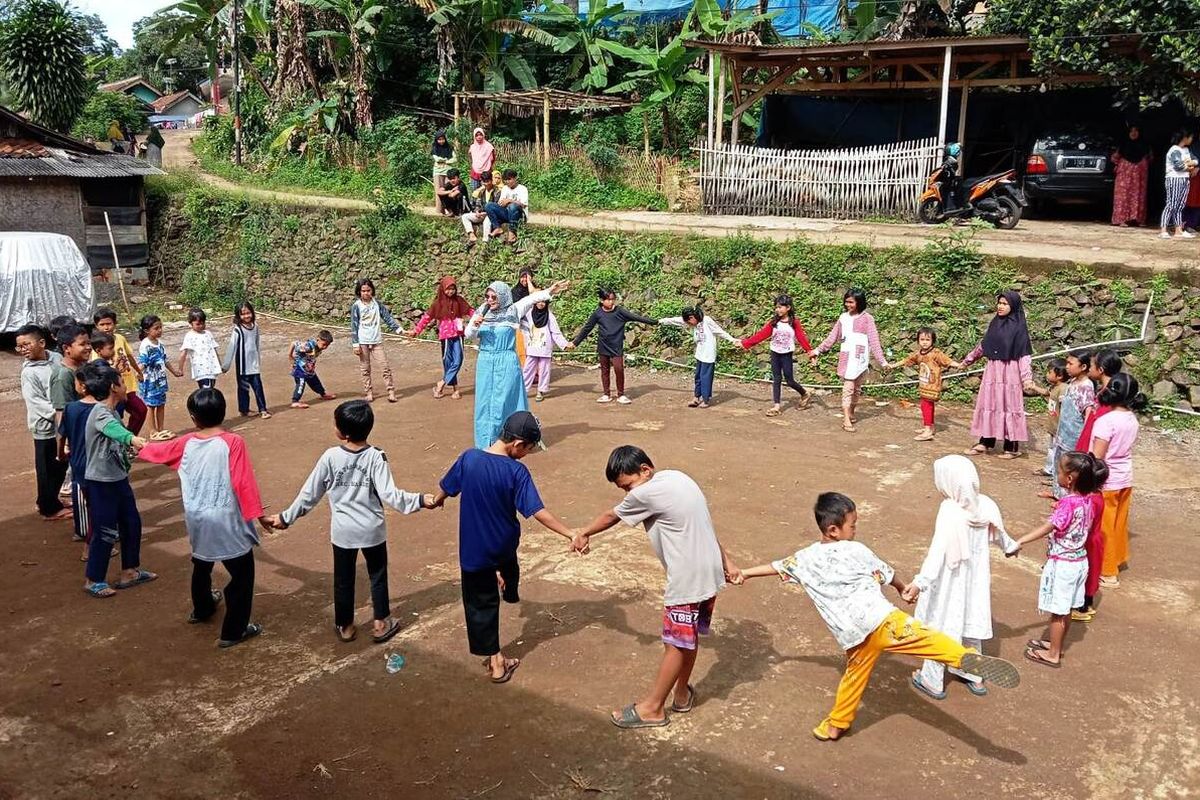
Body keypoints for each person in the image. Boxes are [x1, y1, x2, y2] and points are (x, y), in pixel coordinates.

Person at [735, 492, 1019, 741]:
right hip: (884, 622)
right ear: (833, 530)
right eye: (852, 525)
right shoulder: (857, 550)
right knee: (930, 640)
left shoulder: (804, 559)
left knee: (853, 678)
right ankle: (964, 658)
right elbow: (888, 573)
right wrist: (902, 588)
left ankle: (835, 726)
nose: (855, 530)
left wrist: (744, 573)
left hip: (854, 637)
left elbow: (775, 567)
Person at [574, 446, 740, 729]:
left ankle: (653, 708)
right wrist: (728, 562)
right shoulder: (679, 477)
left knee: (675, 644)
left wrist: (583, 532)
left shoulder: (645, 493)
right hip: (708, 571)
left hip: (687, 580)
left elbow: (611, 516)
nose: (628, 494)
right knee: (687, 638)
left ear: (645, 470)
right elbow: (703, 526)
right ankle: (682, 693)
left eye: (628, 486)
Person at [270, 400, 435, 643]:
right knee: (377, 576)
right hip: (372, 530)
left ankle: (345, 625)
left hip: (343, 533)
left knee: (343, 580)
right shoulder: (376, 456)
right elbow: (391, 495)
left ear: (343, 432)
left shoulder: (330, 457)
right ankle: (381, 623)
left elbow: (310, 493)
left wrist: (286, 517)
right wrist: (420, 500)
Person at [430, 411, 577, 683]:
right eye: (528, 449)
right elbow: (537, 511)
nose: (527, 455)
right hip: (504, 547)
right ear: (518, 444)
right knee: (503, 581)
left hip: (474, 552)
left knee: (480, 604)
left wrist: (436, 500)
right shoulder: (516, 471)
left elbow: (447, 488)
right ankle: (497, 661)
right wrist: (570, 533)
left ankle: (494, 649)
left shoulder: (469, 458)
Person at [138, 388, 270, 647]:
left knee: (202, 563)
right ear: (223, 412)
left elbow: (157, 452)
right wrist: (258, 515)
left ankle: (202, 609)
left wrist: (135, 443)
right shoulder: (233, 442)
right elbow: (243, 482)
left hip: (197, 517)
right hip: (226, 519)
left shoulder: (186, 442)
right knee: (242, 576)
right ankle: (234, 631)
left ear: (193, 417)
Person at [904, 456, 1018, 699]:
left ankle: (932, 681)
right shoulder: (986, 505)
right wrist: (1011, 547)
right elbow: (1001, 534)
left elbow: (938, 551)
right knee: (970, 623)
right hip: (975, 581)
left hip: (949, 581)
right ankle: (973, 675)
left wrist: (920, 582)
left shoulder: (950, 510)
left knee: (941, 626)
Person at [1009, 452, 1109, 668]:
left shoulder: (1068, 504)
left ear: (1070, 478)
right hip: (1079, 562)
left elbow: (1049, 527)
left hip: (1063, 565)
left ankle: (1053, 654)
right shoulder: (1088, 500)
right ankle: (1056, 645)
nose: (1058, 474)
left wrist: (1020, 541)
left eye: (1060, 471)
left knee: (1058, 612)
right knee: (1067, 609)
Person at [79, 363, 153, 599]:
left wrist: (131, 452)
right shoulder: (100, 412)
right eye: (122, 382)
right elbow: (114, 431)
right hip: (101, 483)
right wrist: (133, 439)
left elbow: (116, 443)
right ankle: (93, 579)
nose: (126, 386)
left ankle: (130, 571)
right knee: (105, 530)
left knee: (131, 523)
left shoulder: (112, 412)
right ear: (114, 387)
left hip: (118, 478)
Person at [465, 279, 568, 449]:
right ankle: (485, 441)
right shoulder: (482, 311)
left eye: (493, 297)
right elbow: (469, 334)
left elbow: (531, 299)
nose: (489, 300)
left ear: (503, 296)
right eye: (487, 296)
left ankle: (511, 439)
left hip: (506, 361)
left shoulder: (513, 310)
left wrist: (550, 290)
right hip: (485, 362)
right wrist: (475, 325)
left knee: (505, 401)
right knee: (484, 402)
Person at [961, 290, 1045, 459]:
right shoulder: (995, 324)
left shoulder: (1019, 328)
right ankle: (985, 442)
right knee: (990, 404)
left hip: (1010, 372)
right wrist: (967, 361)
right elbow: (984, 345)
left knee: (1010, 406)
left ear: (1013, 306)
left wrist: (1026, 378)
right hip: (993, 371)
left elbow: (1024, 355)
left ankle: (1011, 447)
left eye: (1005, 304)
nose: (1000, 306)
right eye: (999, 303)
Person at [1087, 373, 1145, 589]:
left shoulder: (1106, 421)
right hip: (1124, 477)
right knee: (1119, 523)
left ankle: (1108, 571)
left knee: (1104, 526)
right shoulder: (1131, 418)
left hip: (1107, 481)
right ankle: (1118, 559)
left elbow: (1097, 457)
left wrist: (1089, 482)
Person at [810, 288, 889, 433]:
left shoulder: (867, 319)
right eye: (846, 302)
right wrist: (818, 350)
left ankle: (852, 411)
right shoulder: (843, 318)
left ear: (859, 302)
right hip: (847, 358)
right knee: (848, 388)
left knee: (857, 389)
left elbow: (874, 341)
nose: (848, 305)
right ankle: (846, 418)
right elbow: (832, 337)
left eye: (851, 302)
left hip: (861, 359)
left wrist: (882, 361)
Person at [17, 324, 72, 521]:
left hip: (61, 423)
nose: (23, 349)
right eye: (19, 346)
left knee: (61, 464)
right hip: (45, 427)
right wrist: (61, 413)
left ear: (41, 343)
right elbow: (36, 403)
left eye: (26, 344)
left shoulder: (56, 358)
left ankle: (51, 499)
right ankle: (48, 508)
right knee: (47, 468)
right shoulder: (29, 372)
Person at [566, 288, 658, 405]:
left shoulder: (620, 312)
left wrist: (655, 322)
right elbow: (587, 328)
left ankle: (621, 394)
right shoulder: (597, 313)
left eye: (613, 299)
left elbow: (636, 317)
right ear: (602, 300)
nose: (611, 302)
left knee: (619, 369)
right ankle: (606, 394)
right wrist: (575, 343)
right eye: (608, 300)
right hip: (603, 345)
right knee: (605, 370)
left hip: (616, 346)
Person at [740, 294, 814, 417]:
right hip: (775, 353)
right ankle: (776, 406)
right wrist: (745, 343)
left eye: (780, 307)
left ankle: (804, 393)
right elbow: (761, 335)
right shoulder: (774, 323)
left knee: (789, 380)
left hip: (786, 354)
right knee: (777, 379)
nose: (777, 309)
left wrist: (810, 352)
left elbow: (801, 337)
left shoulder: (794, 323)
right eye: (776, 307)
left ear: (788, 308)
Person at [60, 362, 103, 553]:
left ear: (83, 386)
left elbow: (61, 436)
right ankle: (92, 543)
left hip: (78, 463)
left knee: (87, 503)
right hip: (98, 465)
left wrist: (61, 454)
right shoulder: (104, 409)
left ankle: (85, 535)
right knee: (99, 505)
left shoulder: (70, 408)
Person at [409, 275, 474, 399]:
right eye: (448, 289)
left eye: (453, 289)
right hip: (446, 336)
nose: (450, 291)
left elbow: (470, 311)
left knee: (458, 360)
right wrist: (416, 330)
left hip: (458, 334)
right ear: (443, 289)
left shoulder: (459, 301)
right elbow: (427, 317)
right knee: (448, 362)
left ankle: (441, 383)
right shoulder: (437, 304)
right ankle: (455, 389)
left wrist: (479, 317)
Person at [659, 307, 738, 408]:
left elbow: (720, 332)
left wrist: (733, 340)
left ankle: (705, 400)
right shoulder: (692, 321)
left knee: (706, 378)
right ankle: (696, 397)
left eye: (689, 322)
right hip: (700, 353)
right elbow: (675, 320)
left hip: (708, 355)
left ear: (692, 317)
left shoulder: (707, 321)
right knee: (698, 377)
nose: (689, 324)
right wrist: (659, 321)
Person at [892, 327, 960, 442]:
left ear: (933, 341)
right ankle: (929, 427)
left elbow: (948, 361)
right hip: (923, 384)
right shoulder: (918, 353)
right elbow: (906, 360)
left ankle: (927, 430)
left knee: (926, 405)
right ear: (918, 340)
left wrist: (960, 365)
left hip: (932, 385)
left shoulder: (936, 353)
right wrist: (892, 365)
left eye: (927, 340)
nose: (924, 342)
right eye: (922, 339)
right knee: (927, 405)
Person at [1044, 352, 1095, 499]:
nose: (1067, 367)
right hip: (1062, 433)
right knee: (1059, 463)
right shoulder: (1072, 382)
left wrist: (1085, 437)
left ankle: (1066, 499)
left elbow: (1088, 413)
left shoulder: (1086, 386)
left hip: (1074, 436)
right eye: (1067, 363)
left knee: (1070, 468)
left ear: (1083, 367)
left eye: (1070, 364)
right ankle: (1056, 493)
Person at [93, 307, 146, 434]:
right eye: (102, 325)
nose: (106, 327)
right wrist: (115, 369)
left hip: (128, 385)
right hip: (113, 390)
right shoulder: (97, 346)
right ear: (96, 326)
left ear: (115, 324)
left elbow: (129, 356)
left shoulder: (120, 338)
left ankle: (130, 437)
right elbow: (99, 370)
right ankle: (122, 440)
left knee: (141, 410)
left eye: (109, 323)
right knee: (116, 417)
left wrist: (139, 371)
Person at [350, 278, 403, 403]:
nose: (366, 293)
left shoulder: (377, 304)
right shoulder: (356, 306)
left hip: (376, 341)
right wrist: (355, 344)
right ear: (359, 292)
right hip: (363, 341)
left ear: (372, 290)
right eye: (363, 291)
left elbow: (387, 318)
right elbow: (354, 325)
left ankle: (391, 391)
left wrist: (399, 330)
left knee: (385, 367)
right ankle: (368, 392)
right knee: (365, 369)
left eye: (368, 290)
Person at [222, 301, 270, 419]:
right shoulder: (238, 329)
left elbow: (257, 344)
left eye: (248, 313)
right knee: (243, 389)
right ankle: (244, 410)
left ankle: (263, 409)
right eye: (243, 314)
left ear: (252, 313)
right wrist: (226, 365)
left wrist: (258, 360)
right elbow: (232, 347)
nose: (246, 316)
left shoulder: (255, 326)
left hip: (254, 364)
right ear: (238, 316)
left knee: (258, 387)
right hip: (242, 366)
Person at [137, 314, 183, 435]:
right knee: (150, 406)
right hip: (149, 381)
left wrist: (174, 372)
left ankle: (161, 429)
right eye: (156, 328)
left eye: (160, 327)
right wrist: (138, 373)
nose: (160, 330)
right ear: (147, 330)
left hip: (160, 380)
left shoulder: (159, 344)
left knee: (161, 404)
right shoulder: (145, 345)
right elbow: (142, 362)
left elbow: (165, 360)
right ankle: (152, 431)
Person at [521, 298, 570, 402]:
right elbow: (524, 329)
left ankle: (541, 391)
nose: (541, 304)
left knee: (544, 370)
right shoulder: (528, 314)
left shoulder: (549, 316)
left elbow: (555, 332)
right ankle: (523, 391)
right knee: (527, 369)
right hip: (532, 347)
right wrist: (526, 343)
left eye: (543, 302)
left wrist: (564, 344)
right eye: (539, 301)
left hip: (545, 348)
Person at [1110, 124, 1150, 227]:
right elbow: (1114, 158)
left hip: (1139, 174)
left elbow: (1150, 157)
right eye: (1131, 131)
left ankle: (1137, 219)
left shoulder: (1144, 145)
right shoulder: (1123, 144)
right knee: (1123, 195)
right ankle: (1121, 219)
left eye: (1136, 131)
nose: (1133, 133)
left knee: (1139, 194)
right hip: (1125, 173)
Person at [1160, 129, 1197, 239]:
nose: (1191, 139)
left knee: (1180, 205)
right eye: (1190, 137)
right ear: (1185, 138)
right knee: (1171, 204)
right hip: (1174, 178)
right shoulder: (1174, 150)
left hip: (1184, 179)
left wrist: (1189, 164)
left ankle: (1178, 230)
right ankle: (1163, 230)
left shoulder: (1186, 150)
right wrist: (1190, 166)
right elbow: (1178, 166)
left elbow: (1196, 160)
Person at [289, 330, 336, 409]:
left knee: (316, 382)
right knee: (301, 384)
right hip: (299, 369)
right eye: (324, 344)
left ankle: (323, 394)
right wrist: (290, 356)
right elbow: (294, 343)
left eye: (327, 345)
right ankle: (295, 401)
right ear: (318, 340)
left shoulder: (318, 347)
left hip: (309, 369)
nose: (325, 347)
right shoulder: (308, 347)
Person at [179, 308, 221, 390]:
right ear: (191, 323)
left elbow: (214, 350)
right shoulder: (189, 336)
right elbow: (183, 353)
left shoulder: (208, 334)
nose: (201, 326)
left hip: (212, 369)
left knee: (210, 389)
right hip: (201, 370)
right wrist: (180, 369)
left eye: (203, 323)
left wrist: (219, 364)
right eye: (198, 324)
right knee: (206, 390)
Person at [485, 169, 529, 245]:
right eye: (505, 180)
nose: (507, 182)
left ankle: (512, 232)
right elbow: (500, 203)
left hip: (519, 215)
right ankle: (497, 227)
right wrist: (505, 203)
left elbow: (523, 205)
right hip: (507, 213)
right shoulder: (505, 188)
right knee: (489, 205)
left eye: (509, 179)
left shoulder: (523, 189)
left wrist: (509, 201)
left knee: (513, 206)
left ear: (515, 178)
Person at [1041, 358, 1068, 479]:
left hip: (1059, 427)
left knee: (1056, 449)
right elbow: (1045, 392)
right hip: (1054, 426)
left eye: (1049, 372)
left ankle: (1055, 472)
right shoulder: (1054, 387)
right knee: (1052, 448)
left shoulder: (1063, 388)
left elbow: (1064, 405)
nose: (1047, 374)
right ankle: (1049, 469)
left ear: (1059, 376)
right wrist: (1033, 387)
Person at [462, 170, 500, 247]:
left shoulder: (497, 191)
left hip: (492, 215)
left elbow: (497, 206)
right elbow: (478, 204)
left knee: (487, 220)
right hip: (481, 214)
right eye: (484, 182)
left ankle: (485, 241)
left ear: (491, 180)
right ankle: (472, 235)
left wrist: (486, 213)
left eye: (488, 181)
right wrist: (477, 212)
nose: (486, 184)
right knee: (465, 216)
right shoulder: (482, 191)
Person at [431, 130, 456, 215]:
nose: (441, 141)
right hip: (437, 171)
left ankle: (450, 210)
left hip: (448, 171)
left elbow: (454, 159)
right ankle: (440, 211)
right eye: (439, 139)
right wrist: (446, 160)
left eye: (443, 139)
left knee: (448, 189)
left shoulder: (449, 147)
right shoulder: (434, 148)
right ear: (436, 140)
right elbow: (437, 159)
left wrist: (445, 161)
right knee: (438, 190)